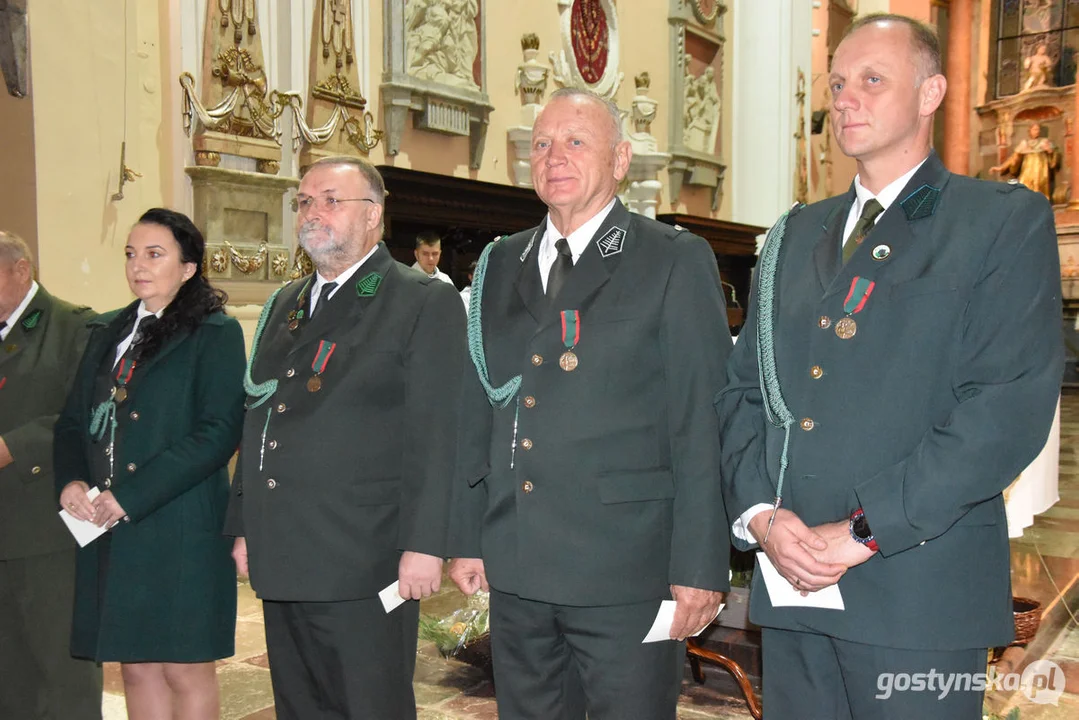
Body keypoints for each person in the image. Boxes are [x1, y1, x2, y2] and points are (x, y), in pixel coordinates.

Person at [717, 14, 1062, 720]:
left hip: (919, 595)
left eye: (871, 80)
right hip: (793, 585)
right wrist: (759, 516)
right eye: (837, 82)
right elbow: (743, 391)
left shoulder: (997, 220)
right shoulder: (792, 234)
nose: (845, 98)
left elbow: (1002, 409)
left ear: (930, 91)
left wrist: (863, 530)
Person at [448, 87, 732, 720]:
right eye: (541, 144)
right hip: (518, 563)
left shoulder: (670, 258)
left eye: (577, 142)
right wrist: (467, 534)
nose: (555, 156)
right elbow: (480, 409)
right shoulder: (500, 261)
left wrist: (700, 564)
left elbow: (699, 420)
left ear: (621, 160)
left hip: (624, 569)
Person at [225, 156, 466, 720]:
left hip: (364, 553)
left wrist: (427, 543)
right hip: (284, 545)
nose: (313, 213)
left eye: (331, 200)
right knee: (301, 705)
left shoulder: (418, 299)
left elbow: (439, 431)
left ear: (374, 216)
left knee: (368, 704)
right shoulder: (287, 302)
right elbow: (262, 415)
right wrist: (244, 523)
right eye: (305, 201)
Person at [54, 209, 245, 720]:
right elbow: (72, 420)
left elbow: (218, 433)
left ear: (188, 267)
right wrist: (72, 480)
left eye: (154, 254)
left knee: (182, 665)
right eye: (131, 254)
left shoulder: (215, 334)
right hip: (110, 526)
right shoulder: (108, 331)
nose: (139, 266)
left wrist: (130, 497)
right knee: (135, 664)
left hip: (179, 521)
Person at [0, 231, 101, 719]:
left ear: (21, 271)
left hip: (47, 529)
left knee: (61, 668)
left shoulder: (73, 327)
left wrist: (12, 447)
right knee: (9, 670)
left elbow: (81, 414)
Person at [990, 122, 1060, 201]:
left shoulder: (1044, 142)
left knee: (1039, 190)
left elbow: (1054, 156)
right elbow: (1013, 158)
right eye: (1034, 129)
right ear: (1029, 131)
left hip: (1040, 171)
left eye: (1038, 129)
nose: (1037, 131)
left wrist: (1050, 151)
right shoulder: (1024, 143)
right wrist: (1000, 168)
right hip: (1028, 171)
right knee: (1023, 186)